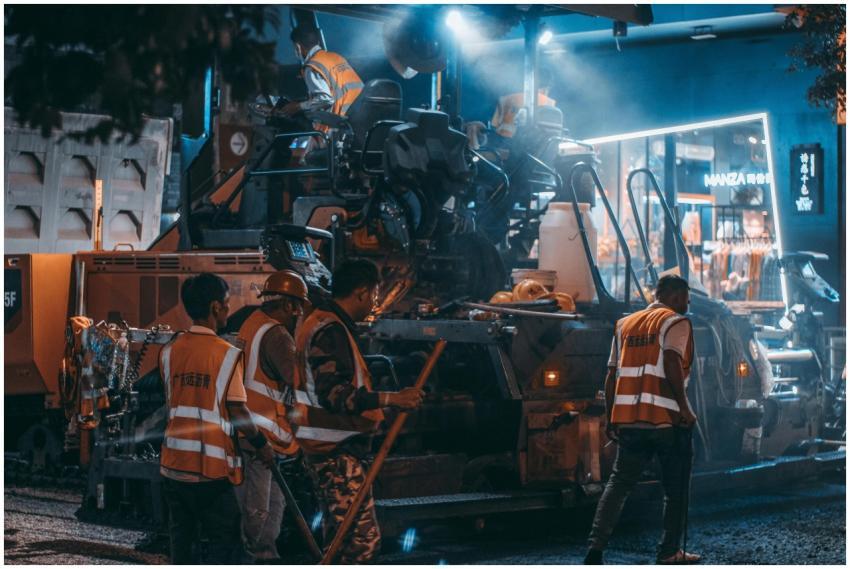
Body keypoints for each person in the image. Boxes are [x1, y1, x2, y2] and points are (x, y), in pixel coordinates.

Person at [292, 259, 425, 564]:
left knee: (340, 541)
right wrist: (393, 399)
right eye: (376, 294)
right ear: (363, 292)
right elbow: (336, 395)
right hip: (336, 450)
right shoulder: (330, 330)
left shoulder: (320, 322)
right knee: (361, 543)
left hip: (327, 446)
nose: (375, 302)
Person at [584, 275, 701, 565]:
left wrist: (612, 416)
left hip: (629, 422)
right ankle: (669, 552)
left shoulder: (625, 324)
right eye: (687, 298)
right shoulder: (676, 322)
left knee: (619, 484)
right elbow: (672, 362)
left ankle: (595, 548)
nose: (688, 304)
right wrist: (685, 409)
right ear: (675, 297)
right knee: (675, 489)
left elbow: (612, 374)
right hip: (665, 421)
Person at [159, 273, 274, 564]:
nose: (228, 309)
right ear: (214, 308)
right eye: (226, 303)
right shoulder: (225, 354)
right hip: (209, 469)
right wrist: (262, 445)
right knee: (225, 543)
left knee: (181, 543)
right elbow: (238, 412)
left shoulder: (169, 351)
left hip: (173, 465)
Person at [234, 270, 309, 562]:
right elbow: (299, 379)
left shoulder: (252, 324)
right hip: (260, 435)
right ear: (289, 305)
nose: (300, 313)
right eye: (299, 306)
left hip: (251, 429)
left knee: (271, 508)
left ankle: (266, 555)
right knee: (260, 511)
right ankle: (258, 558)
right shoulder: (277, 334)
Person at [279, 24, 364, 132]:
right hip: (361, 114)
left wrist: (297, 107)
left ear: (298, 47)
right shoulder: (336, 57)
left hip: (342, 124)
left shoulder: (312, 67)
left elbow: (326, 99)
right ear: (317, 42)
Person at [490, 67, 557, 139]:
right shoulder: (551, 104)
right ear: (548, 86)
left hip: (503, 142)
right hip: (536, 146)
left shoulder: (505, 99)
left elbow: (493, 125)